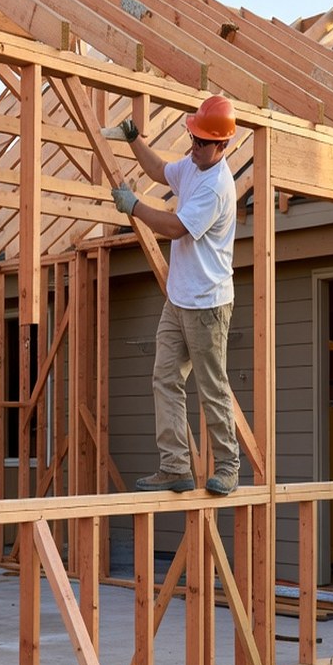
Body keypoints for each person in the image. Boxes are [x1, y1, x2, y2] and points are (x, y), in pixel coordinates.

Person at [105, 94, 240, 495]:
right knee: (165, 378)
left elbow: (176, 227)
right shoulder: (195, 166)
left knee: (212, 387)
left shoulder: (216, 187)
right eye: (193, 138)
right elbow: (162, 171)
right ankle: (176, 465)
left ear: (222, 145)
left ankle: (229, 465)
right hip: (179, 299)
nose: (193, 146)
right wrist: (133, 139)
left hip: (208, 305)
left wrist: (133, 207)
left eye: (202, 142)